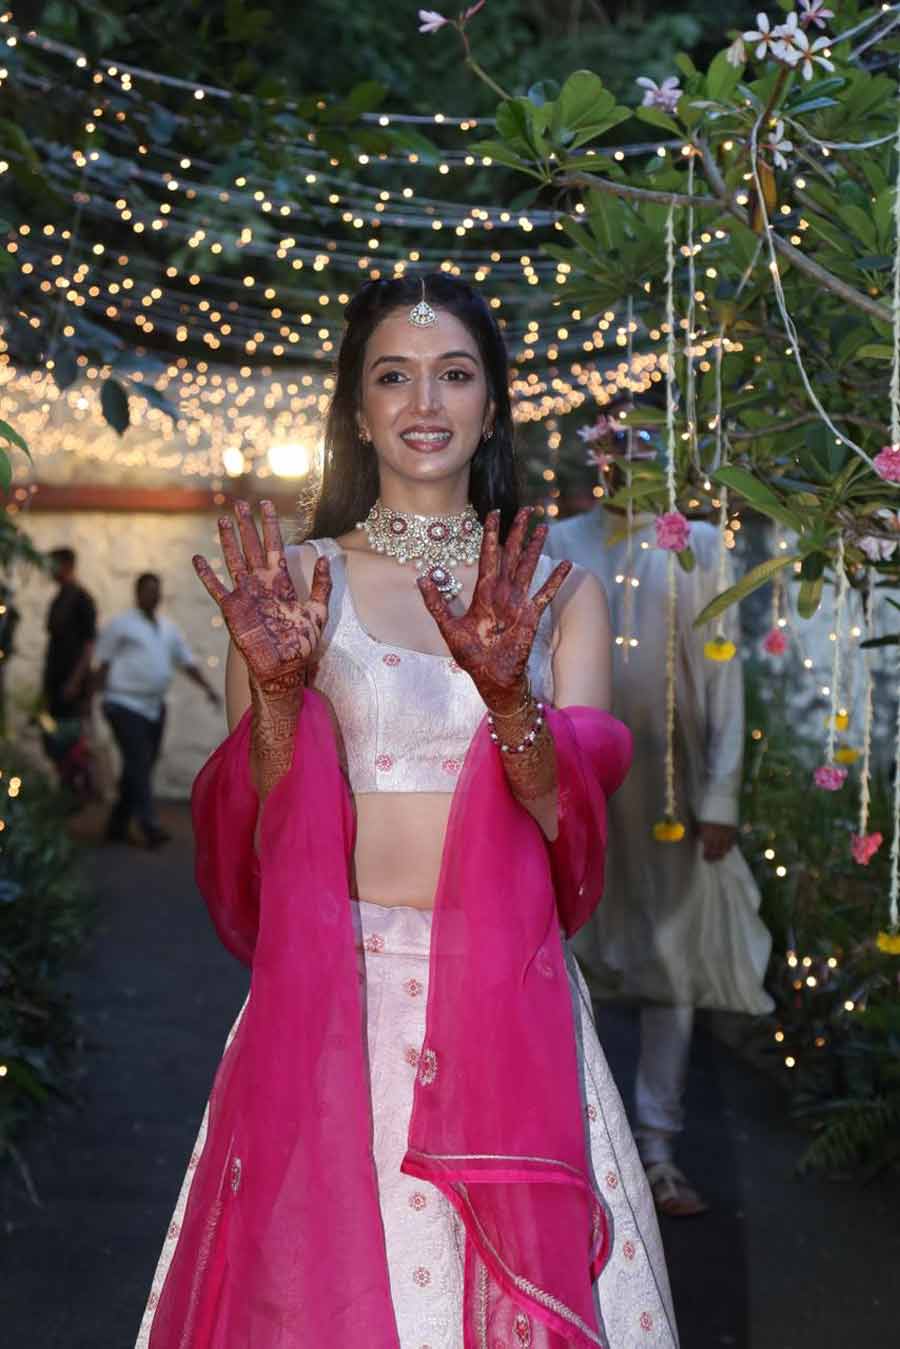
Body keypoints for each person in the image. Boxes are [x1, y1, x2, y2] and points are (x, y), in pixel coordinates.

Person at [135, 275, 679, 1348]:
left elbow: (569, 826)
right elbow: (250, 827)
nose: (424, 401)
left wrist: (512, 697)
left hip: (507, 1010)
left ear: (491, 403)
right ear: (356, 406)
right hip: (336, 1006)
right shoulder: (295, 584)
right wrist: (281, 693)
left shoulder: (554, 595)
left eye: (454, 373)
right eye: (394, 375)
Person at [546, 408, 773, 1219]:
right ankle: (575, 1150)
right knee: (573, 966)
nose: (625, 462)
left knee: (671, 969)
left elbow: (724, 675)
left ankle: (657, 1151)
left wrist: (721, 796)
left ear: (663, 455)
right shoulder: (557, 546)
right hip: (578, 791)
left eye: (642, 447)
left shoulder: (698, 545)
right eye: (612, 448)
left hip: (672, 798)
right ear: (592, 458)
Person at [94, 573, 221, 849]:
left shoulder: (167, 628)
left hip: (153, 707)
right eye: (148, 590)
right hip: (123, 704)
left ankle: (117, 824)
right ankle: (148, 824)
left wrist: (208, 688)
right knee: (139, 761)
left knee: (141, 764)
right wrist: (91, 700)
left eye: (157, 590)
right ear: (138, 593)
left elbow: (186, 661)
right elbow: (102, 663)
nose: (154, 595)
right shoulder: (121, 625)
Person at [40, 547, 98, 791]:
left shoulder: (82, 598)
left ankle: (76, 791)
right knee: (52, 736)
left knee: (71, 741)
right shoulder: (59, 597)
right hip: (55, 682)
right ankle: (66, 788)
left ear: (66, 565)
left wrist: (75, 681)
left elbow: (89, 644)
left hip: (71, 686)